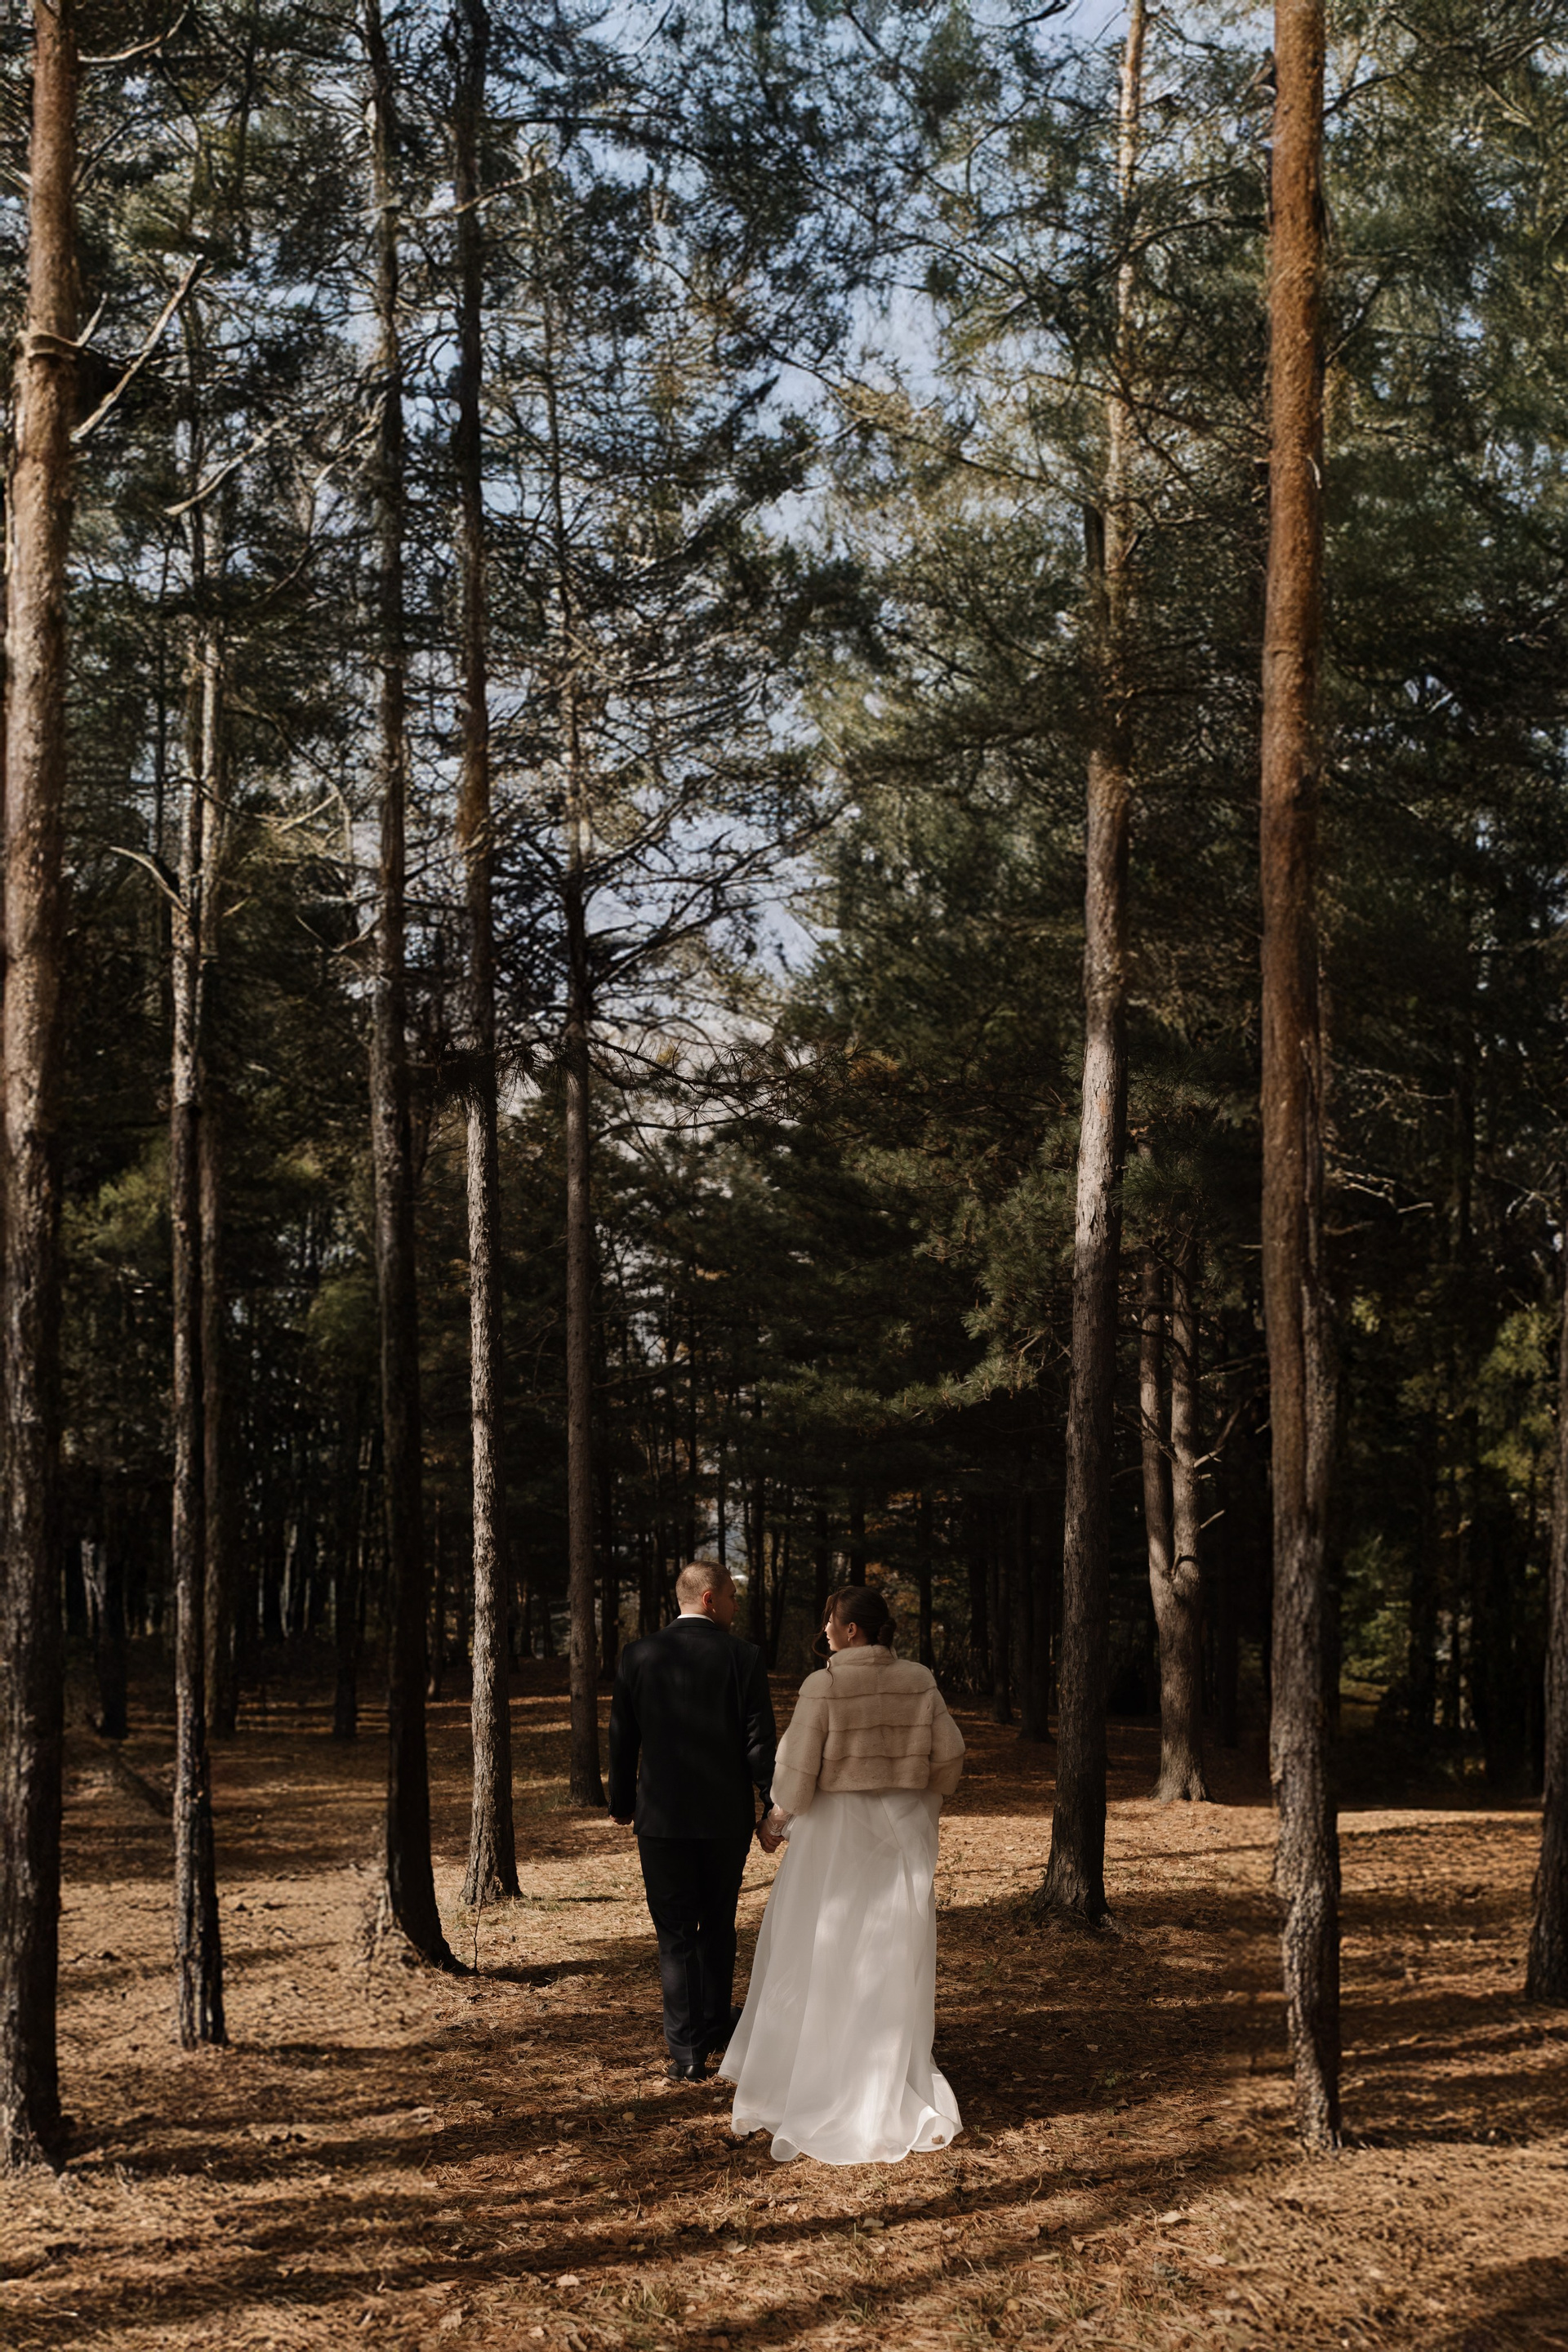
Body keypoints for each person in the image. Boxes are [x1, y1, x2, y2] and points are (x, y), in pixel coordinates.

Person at [719, 1584, 965, 2164]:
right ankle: (884, 2075)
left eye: (830, 1619)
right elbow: (950, 1755)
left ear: (851, 1629)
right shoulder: (919, 1680)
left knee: (820, 1949)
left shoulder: (825, 1685)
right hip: (898, 1836)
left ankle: (814, 2074)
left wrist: (774, 1824)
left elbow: (795, 1773)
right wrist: (915, 1799)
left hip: (836, 1838)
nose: (825, 1628)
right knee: (887, 1952)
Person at [608, 1561, 777, 2082]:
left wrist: (621, 1802)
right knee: (718, 1924)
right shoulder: (743, 1656)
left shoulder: (637, 1654)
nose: (735, 1607)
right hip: (724, 1819)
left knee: (675, 1933)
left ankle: (687, 2052)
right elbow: (758, 1740)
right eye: (731, 1597)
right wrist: (771, 1803)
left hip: (661, 1819)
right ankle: (713, 2025)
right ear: (709, 1599)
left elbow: (623, 1738)